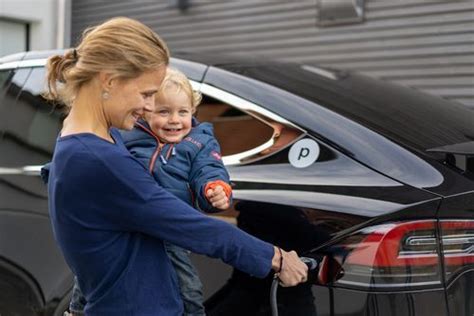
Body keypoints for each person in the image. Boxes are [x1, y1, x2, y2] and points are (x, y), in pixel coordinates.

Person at [44, 16, 308, 315]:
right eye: (146, 94)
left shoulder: (85, 136)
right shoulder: (100, 159)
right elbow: (187, 225)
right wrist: (276, 258)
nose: (148, 107)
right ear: (109, 80)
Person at [66, 67, 233, 315]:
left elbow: (209, 168)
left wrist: (215, 189)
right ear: (146, 111)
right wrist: (60, 171)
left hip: (169, 230)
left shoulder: (200, 142)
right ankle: (77, 311)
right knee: (93, 270)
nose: (174, 120)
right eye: (163, 112)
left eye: (183, 112)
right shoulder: (127, 134)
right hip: (124, 224)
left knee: (188, 287)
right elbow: (92, 154)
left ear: (193, 111)